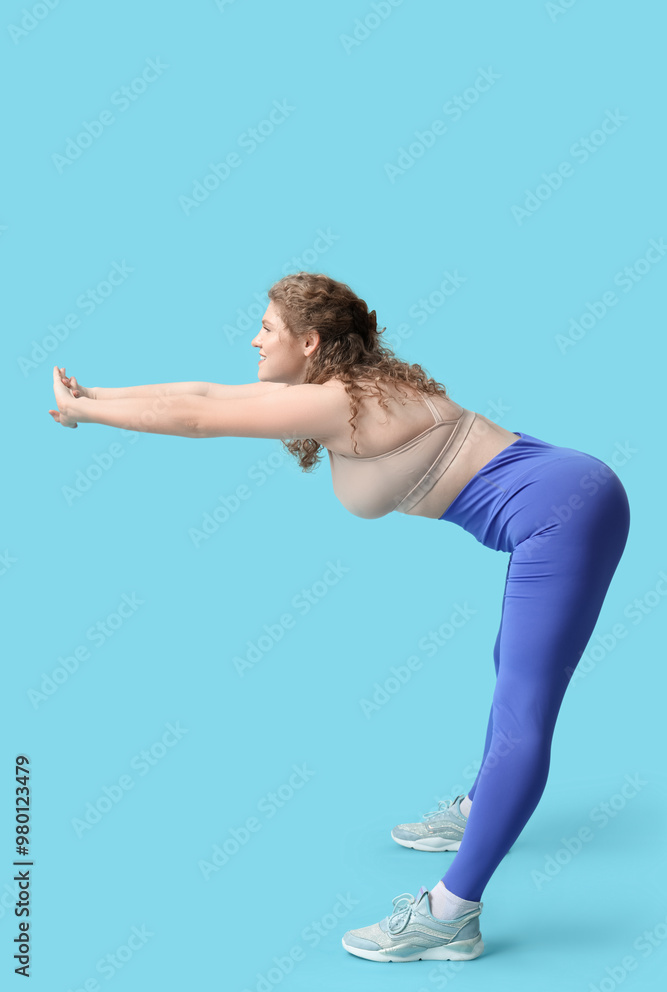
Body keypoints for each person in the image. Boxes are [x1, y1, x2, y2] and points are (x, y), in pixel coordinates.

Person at [49, 271, 631, 964]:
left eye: (266, 328)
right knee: (511, 665)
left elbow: (200, 419)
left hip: (558, 514)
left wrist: (88, 416)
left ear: (310, 342)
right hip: (564, 490)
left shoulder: (339, 401)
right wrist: (93, 395)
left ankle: (450, 916)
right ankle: (481, 809)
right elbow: (203, 394)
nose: (254, 338)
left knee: (523, 709)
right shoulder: (350, 386)